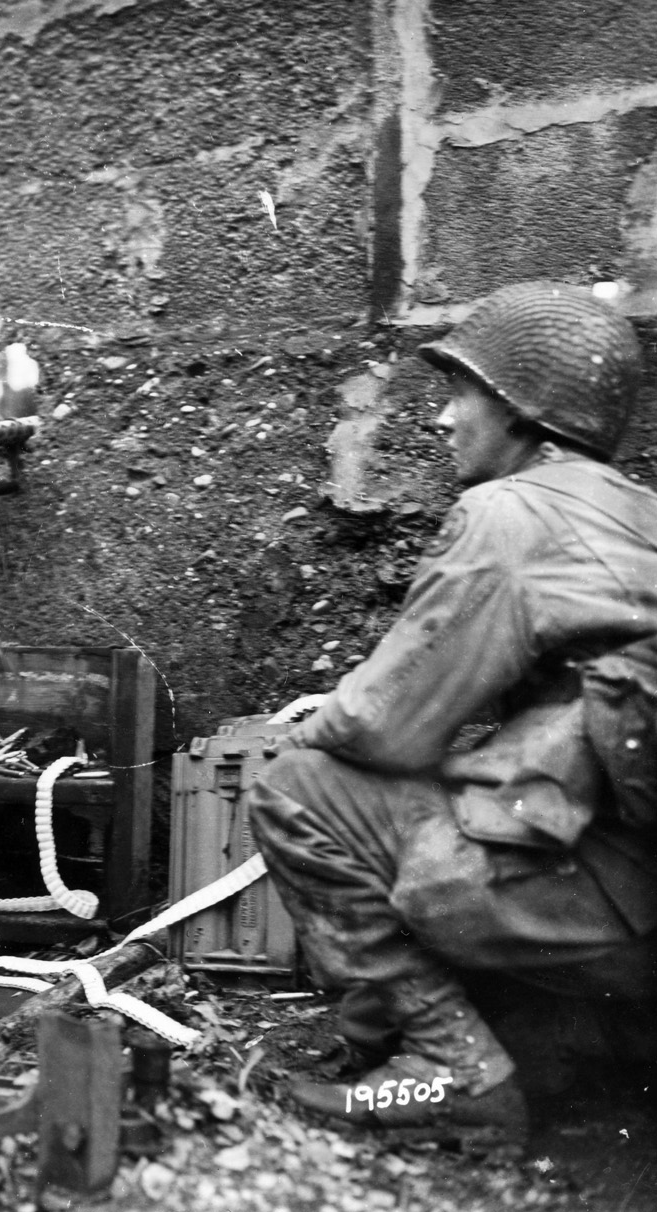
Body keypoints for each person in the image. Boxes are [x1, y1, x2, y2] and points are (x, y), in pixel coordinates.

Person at [251, 281, 657, 1146]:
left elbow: (382, 727)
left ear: (521, 411)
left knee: (298, 789)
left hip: (601, 909)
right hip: (632, 892)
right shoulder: (640, 513)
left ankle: (449, 1073)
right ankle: (565, 1047)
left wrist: (319, 724)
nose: (442, 420)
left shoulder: (509, 514)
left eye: (458, 392)